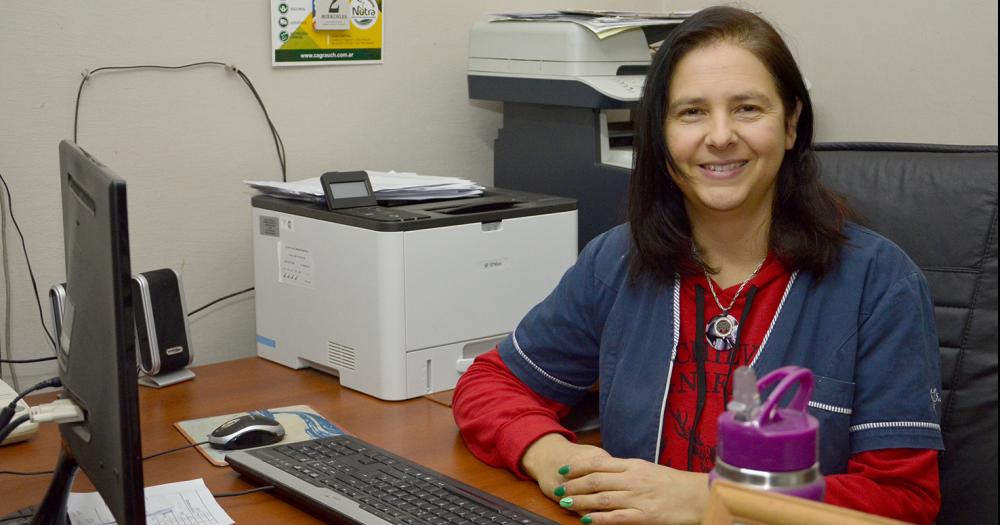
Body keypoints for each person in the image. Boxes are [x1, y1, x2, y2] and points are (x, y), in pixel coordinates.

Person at [453, 6, 944, 525]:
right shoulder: (618, 261)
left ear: (792, 122)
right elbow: (491, 383)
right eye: (691, 113)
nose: (720, 136)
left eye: (748, 109)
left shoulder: (878, 281)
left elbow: (902, 503)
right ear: (660, 134)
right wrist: (555, 458)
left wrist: (713, 499)